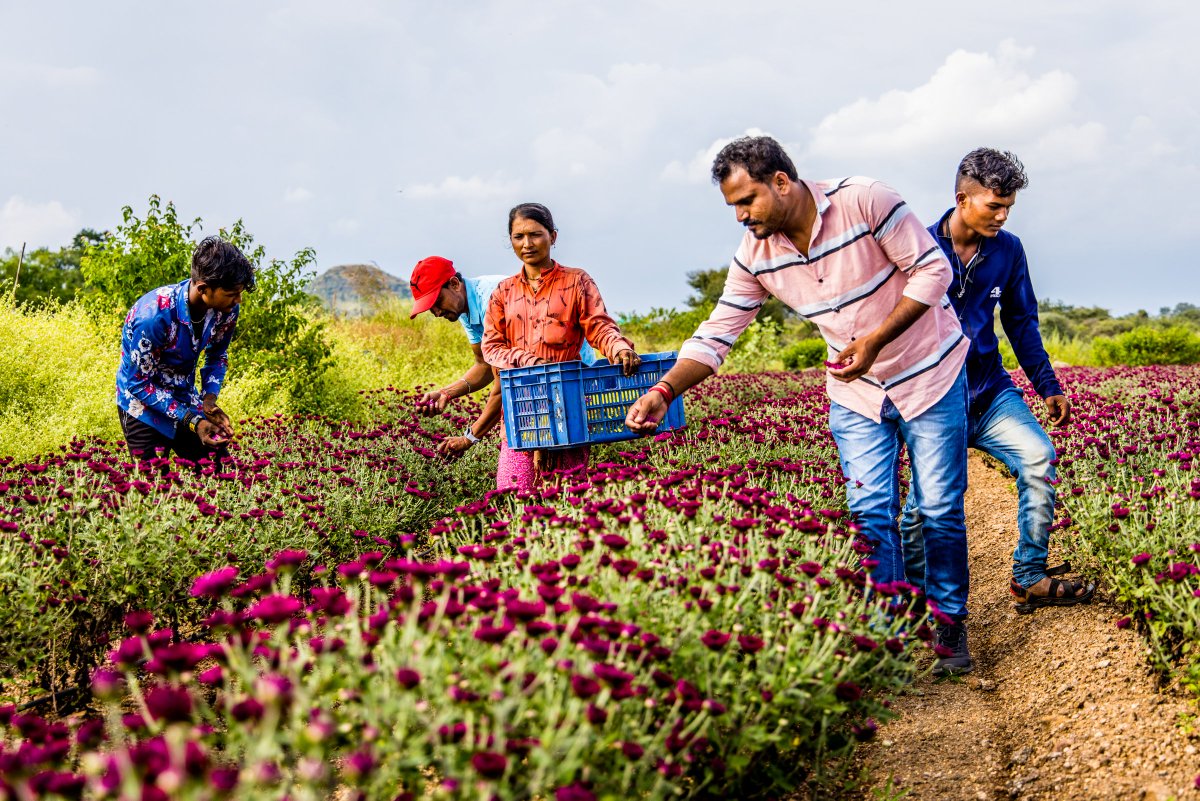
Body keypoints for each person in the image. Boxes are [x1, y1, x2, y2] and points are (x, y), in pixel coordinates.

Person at [625, 136, 975, 674]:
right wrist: (663, 390)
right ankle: (890, 626)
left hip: (929, 372)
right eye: (733, 207)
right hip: (855, 391)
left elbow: (934, 271)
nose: (741, 216)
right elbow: (717, 333)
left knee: (938, 509)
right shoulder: (754, 257)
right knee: (868, 511)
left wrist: (876, 340)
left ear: (782, 182)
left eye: (747, 201)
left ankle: (949, 621)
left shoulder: (867, 200)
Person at [899, 148, 1095, 613]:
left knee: (1039, 456)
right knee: (919, 512)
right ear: (962, 199)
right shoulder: (919, 249)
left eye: (1009, 207)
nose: (1003, 216)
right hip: (933, 400)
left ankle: (1029, 574)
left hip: (989, 391)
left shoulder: (1008, 249)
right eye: (994, 206)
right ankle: (912, 601)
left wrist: (1048, 384)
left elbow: (1021, 320)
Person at [481, 202, 640, 490]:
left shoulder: (576, 282)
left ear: (553, 236)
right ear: (511, 241)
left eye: (536, 234)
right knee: (512, 496)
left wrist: (618, 348)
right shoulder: (503, 292)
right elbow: (491, 347)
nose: (527, 244)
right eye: (519, 237)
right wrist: (526, 360)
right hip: (521, 412)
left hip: (566, 409)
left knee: (565, 502)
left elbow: (599, 325)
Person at [406, 255, 596, 457]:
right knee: (537, 472)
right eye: (429, 308)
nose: (435, 312)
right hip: (537, 383)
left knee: (559, 467)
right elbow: (484, 364)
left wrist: (470, 437)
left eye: (436, 301)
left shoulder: (493, 297)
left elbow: (504, 380)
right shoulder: (464, 310)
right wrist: (446, 393)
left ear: (454, 284)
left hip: (568, 374)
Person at [115, 236, 252, 465]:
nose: (238, 300)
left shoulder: (226, 310)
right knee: (151, 488)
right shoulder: (152, 317)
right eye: (231, 294)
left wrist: (208, 401)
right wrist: (192, 421)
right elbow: (138, 383)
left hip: (183, 395)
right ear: (203, 288)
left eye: (240, 293)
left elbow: (217, 355)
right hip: (143, 406)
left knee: (220, 470)